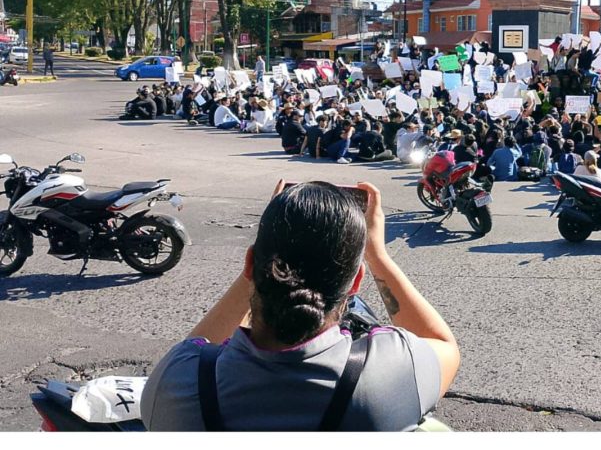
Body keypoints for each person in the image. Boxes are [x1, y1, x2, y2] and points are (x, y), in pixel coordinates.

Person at [141, 182, 460, 431]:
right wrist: (378, 255)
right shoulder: (388, 373)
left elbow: (196, 347)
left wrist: (257, 264)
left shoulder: (179, 382)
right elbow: (445, 346)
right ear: (356, 281)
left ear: (251, 264)